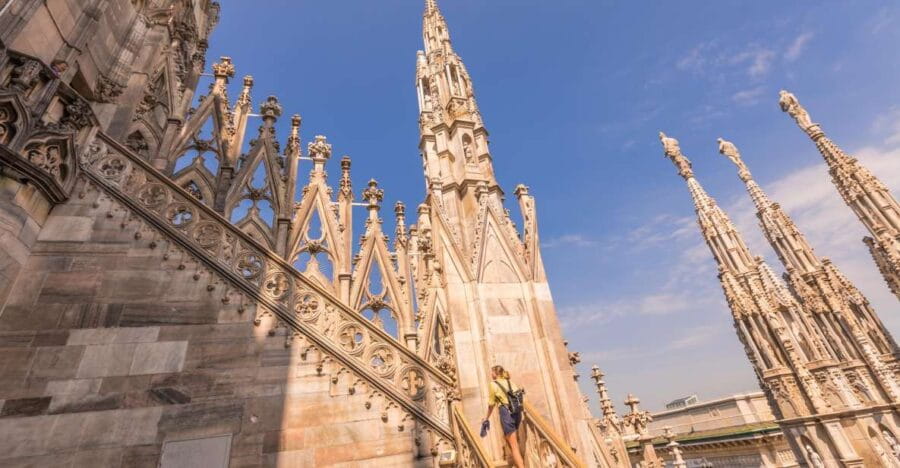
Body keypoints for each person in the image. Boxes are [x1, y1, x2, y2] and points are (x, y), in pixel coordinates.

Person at [483, 365, 525, 468]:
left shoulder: (493, 384)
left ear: (495, 373)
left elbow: (491, 404)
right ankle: (516, 463)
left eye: (492, 372)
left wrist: (486, 418)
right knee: (509, 439)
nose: (491, 374)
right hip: (517, 412)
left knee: (514, 445)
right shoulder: (510, 382)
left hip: (506, 413)